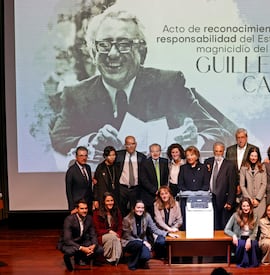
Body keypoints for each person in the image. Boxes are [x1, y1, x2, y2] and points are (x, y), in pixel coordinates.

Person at [49, 8, 232, 157]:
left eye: (124, 44)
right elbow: (59, 138)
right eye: (104, 45)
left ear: (142, 52)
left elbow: (216, 133)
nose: (112, 54)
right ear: (93, 53)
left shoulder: (169, 84)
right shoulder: (76, 94)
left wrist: (194, 142)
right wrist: (90, 142)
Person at [121, 200, 177, 270]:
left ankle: (137, 260)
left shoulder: (147, 216)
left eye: (142, 208)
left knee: (146, 256)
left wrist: (167, 233)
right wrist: (143, 242)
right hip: (130, 242)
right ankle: (132, 265)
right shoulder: (127, 219)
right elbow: (127, 236)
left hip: (142, 243)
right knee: (138, 244)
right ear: (134, 208)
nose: (140, 210)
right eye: (138, 207)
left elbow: (155, 229)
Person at [58, 199, 104, 271]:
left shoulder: (89, 218)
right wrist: (82, 248)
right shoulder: (69, 219)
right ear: (77, 209)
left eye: (86, 208)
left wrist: (94, 245)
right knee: (70, 251)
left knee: (99, 249)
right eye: (82, 209)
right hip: (69, 243)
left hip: (81, 241)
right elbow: (67, 240)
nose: (84, 211)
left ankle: (82, 258)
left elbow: (93, 234)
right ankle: (68, 261)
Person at [204, 142, 237, 230]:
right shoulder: (208, 162)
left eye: (220, 151)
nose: (218, 153)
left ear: (223, 152)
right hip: (210, 197)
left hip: (223, 199)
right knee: (211, 223)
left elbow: (232, 185)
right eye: (216, 151)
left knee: (223, 225)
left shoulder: (230, 165)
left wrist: (230, 201)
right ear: (213, 151)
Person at [177, 146, 210, 229]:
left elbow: (206, 184)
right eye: (187, 155)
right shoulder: (183, 168)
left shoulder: (204, 167)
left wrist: (197, 194)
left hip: (201, 200)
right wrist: (190, 193)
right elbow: (180, 184)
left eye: (191, 155)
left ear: (197, 156)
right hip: (186, 200)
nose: (189, 157)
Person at [225, 128, 259, 205]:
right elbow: (228, 169)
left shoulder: (253, 149)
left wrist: (242, 185)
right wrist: (236, 185)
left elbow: (256, 168)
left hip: (249, 186)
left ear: (246, 137)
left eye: (242, 137)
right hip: (233, 186)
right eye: (238, 138)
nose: (240, 140)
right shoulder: (230, 150)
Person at [224, 198, 259, 268]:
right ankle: (243, 263)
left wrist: (249, 239)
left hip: (250, 237)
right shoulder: (235, 215)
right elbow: (226, 229)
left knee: (254, 243)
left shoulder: (255, 216)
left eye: (248, 206)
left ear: (250, 207)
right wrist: (233, 235)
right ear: (241, 207)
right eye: (244, 206)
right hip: (239, 237)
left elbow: (255, 232)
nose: (246, 208)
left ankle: (252, 263)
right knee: (242, 244)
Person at [116, 136, 146, 216]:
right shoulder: (118, 155)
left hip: (136, 188)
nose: (131, 146)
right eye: (128, 144)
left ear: (136, 144)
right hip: (122, 188)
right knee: (121, 210)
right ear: (125, 145)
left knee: (135, 210)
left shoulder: (141, 157)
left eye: (133, 144)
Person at [92, 192, 122, 265]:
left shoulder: (117, 212)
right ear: (104, 202)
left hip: (114, 237)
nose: (110, 203)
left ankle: (111, 259)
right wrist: (109, 231)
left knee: (115, 238)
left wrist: (118, 235)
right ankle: (115, 259)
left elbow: (120, 227)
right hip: (100, 236)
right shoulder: (97, 213)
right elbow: (97, 231)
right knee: (113, 237)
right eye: (108, 201)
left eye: (111, 200)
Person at [140, 143, 169, 217]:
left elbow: (166, 177)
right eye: (153, 151)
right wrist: (155, 190)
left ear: (160, 152)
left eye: (157, 151)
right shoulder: (144, 163)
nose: (155, 153)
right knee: (151, 216)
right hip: (149, 195)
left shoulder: (165, 162)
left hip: (162, 195)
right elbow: (143, 179)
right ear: (150, 152)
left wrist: (162, 191)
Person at [153, 186, 183, 258]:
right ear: (159, 196)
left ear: (169, 194)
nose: (164, 196)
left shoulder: (176, 204)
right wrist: (169, 230)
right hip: (161, 230)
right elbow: (159, 221)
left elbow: (180, 220)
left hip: (173, 229)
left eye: (166, 193)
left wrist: (173, 229)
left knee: (179, 242)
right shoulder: (156, 205)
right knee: (160, 242)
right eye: (162, 194)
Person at [239, 147, 267, 218]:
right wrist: (249, 199)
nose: (253, 158)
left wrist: (257, 199)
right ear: (248, 156)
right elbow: (242, 185)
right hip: (247, 200)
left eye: (255, 156)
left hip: (260, 200)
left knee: (259, 220)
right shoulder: (243, 168)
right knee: (249, 220)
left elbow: (264, 184)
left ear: (258, 157)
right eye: (252, 156)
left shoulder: (262, 167)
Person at [65, 146, 93, 214]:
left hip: (88, 205)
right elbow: (68, 191)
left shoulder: (88, 168)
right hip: (77, 206)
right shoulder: (71, 171)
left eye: (85, 155)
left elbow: (89, 187)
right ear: (76, 157)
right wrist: (72, 208)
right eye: (81, 155)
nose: (84, 158)